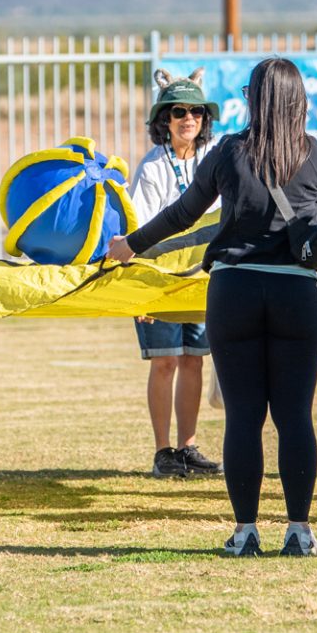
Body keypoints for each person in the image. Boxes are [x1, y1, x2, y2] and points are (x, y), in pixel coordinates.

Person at [108, 56, 317, 558]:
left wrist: (132, 245)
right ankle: (299, 531)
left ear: (251, 99)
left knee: (244, 416)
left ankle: (246, 532)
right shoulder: (315, 155)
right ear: (300, 100)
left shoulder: (228, 151)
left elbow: (183, 214)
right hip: (297, 295)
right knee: (294, 416)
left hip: (233, 293)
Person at [126, 67, 222, 479]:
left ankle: (187, 447)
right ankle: (163, 450)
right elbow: (141, 231)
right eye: (179, 111)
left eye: (196, 112)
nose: (189, 120)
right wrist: (144, 294)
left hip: (200, 279)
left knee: (194, 362)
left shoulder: (214, 158)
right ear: (164, 120)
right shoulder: (151, 168)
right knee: (164, 362)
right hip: (159, 281)